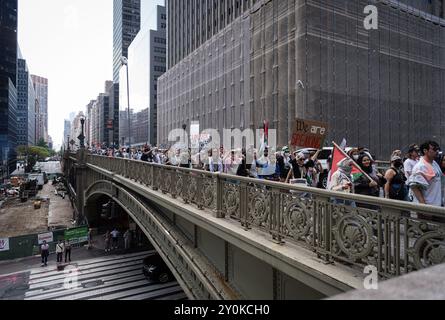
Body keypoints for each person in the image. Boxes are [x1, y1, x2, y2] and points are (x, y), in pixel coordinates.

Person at [409, 141, 442, 208]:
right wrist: (424, 207)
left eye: (438, 149)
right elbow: (414, 187)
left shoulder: (434, 163)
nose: (437, 151)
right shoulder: (420, 166)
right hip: (428, 207)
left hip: (437, 205)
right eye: (434, 149)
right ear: (425, 151)